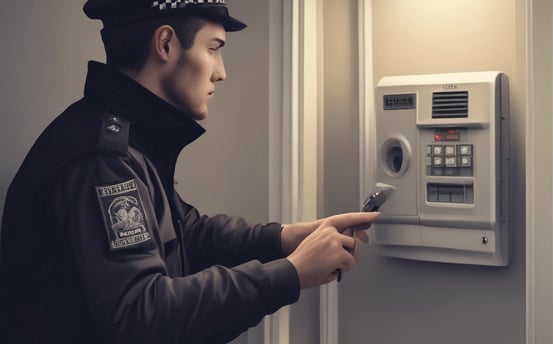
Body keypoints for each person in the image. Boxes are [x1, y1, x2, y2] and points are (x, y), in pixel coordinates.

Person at [0, 1, 379, 343]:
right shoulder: (101, 160)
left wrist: (285, 239)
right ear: (165, 44)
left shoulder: (129, 138)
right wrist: (291, 273)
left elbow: (186, 233)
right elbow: (142, 314)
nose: (221, 73)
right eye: (213, 49)